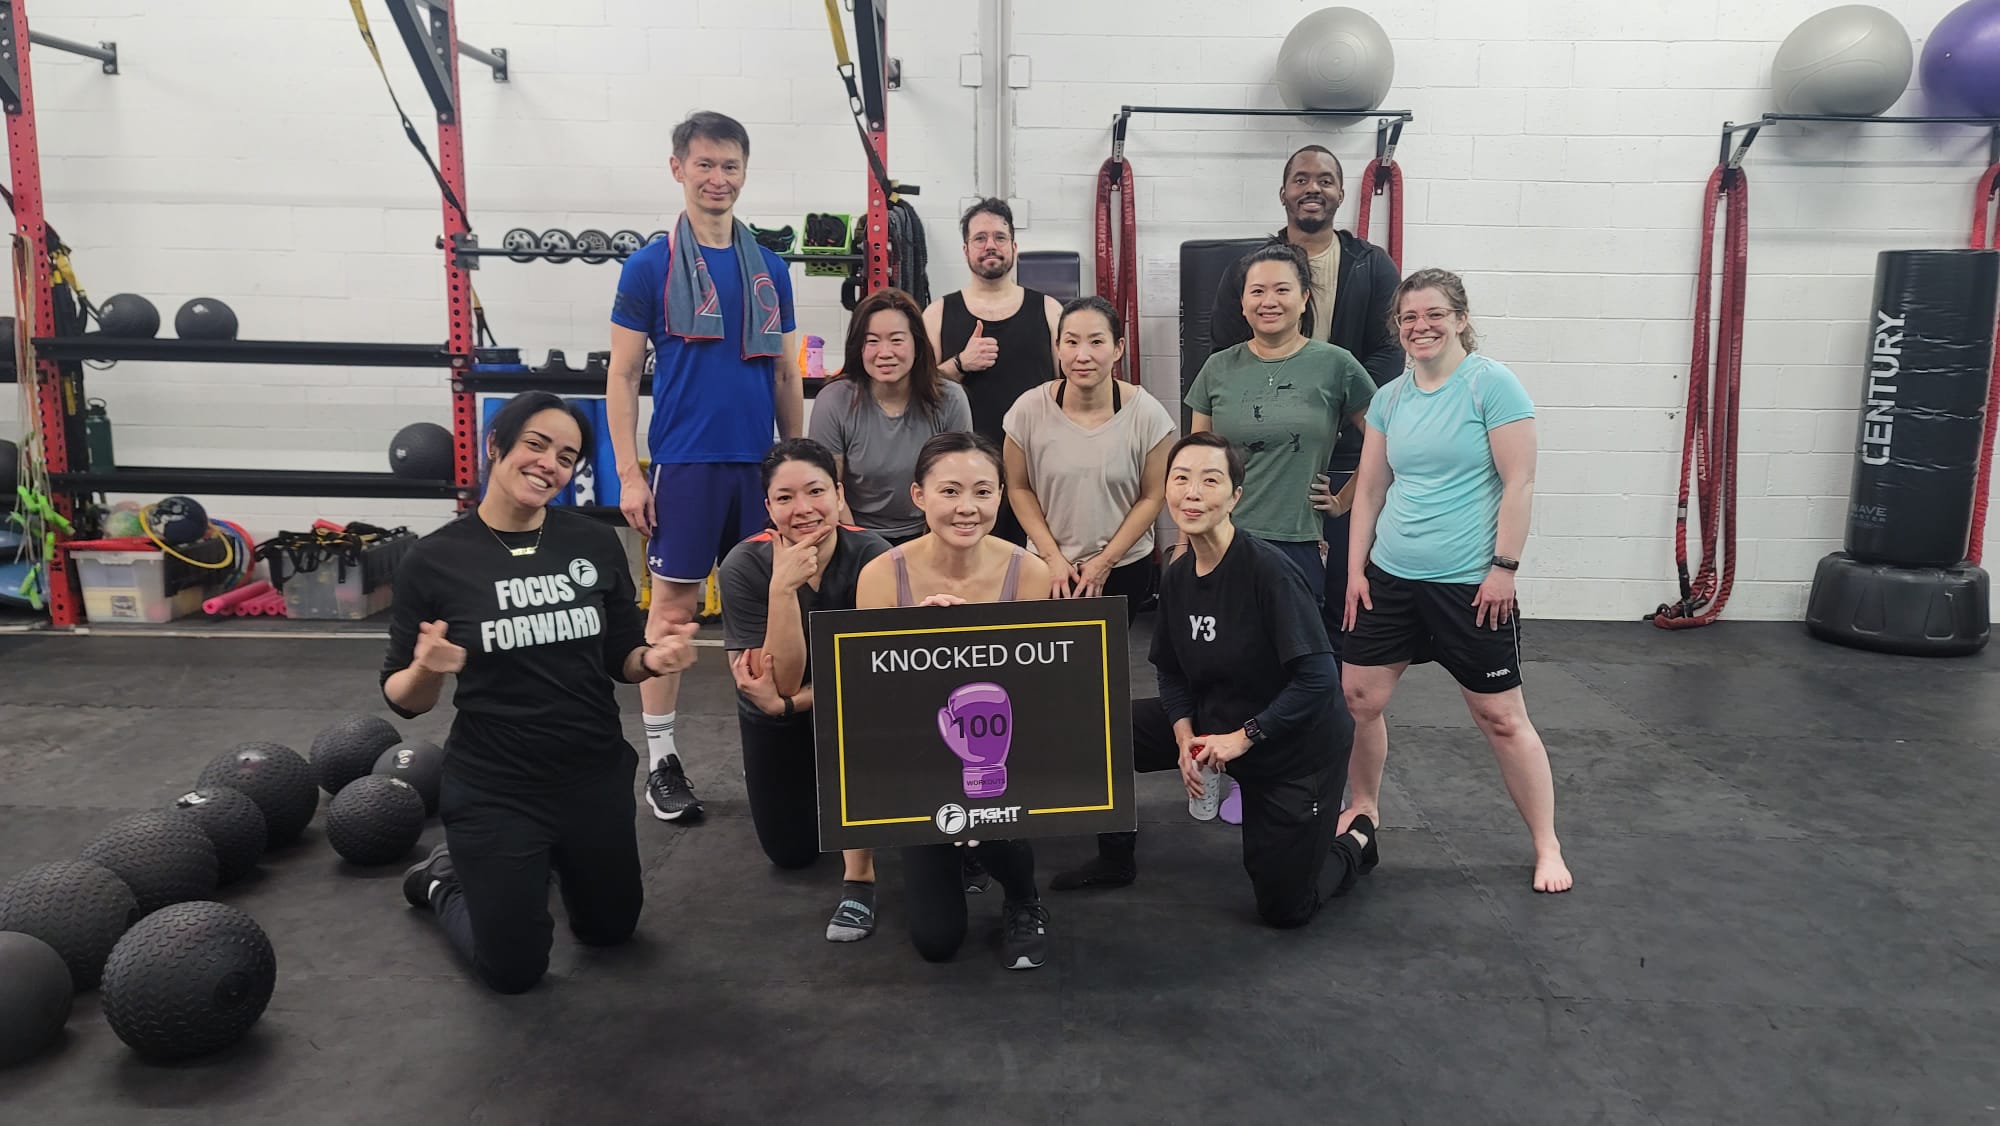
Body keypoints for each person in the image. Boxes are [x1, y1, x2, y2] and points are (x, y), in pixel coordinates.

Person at [384, 392, 700, 994]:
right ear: (495, 445)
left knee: (611, 932)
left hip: (592, 775)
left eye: (566, 456)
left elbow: (622, 658)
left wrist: (654, 659)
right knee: (514, 970)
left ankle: (536, 869)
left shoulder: (593, 543)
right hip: (496, 787)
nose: (549, 464)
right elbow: (402, 697)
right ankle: (441, 881)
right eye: (536, 444)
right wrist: (429, 667)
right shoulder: (434, 560)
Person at [1049, 432, 1377, 924]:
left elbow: (1317, 682)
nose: (1192, 492)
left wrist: (1244, 739)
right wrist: (1183, 737)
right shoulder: (1178, 576)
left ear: (1234, 497)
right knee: (1099, 730)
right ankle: (1115, 859)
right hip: (1216, 721)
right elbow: (1171, 671)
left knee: (1286, 910)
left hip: (1292, 746)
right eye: (1180, 479)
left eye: (1209, 480)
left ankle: (1357, 839)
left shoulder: (1271, 574)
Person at [1340, 268, 1573, 894]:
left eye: (1434, 314)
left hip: (1470, 583)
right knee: (1359, 699)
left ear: (1460, 318)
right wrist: (1356, 570)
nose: (1421, 326)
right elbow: (1369, 488)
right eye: (1410, 317)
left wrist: (1504, 568)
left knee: (1500, 717)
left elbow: (1518, 484)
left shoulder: (1491, 386)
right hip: (1392, 576)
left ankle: (1546, 844)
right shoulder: (1390, 398)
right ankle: (1364, 804)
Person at [606, 110, 805, 827]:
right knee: (673, 613)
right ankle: (661, 761)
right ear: (678, 169)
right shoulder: (650, 265)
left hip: (759, 470)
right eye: (705, 165)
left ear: (744, 173)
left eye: (730, 166)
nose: (718, 178)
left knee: (776, 612)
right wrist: (630, 473)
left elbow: (786, 375)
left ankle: (783, 750)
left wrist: (799, 466)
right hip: (686, 466)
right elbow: (624, 377)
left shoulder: (771, 269)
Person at [853, 431, 1055, 969]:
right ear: (919, 496)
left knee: (997, 809)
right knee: (937, 942)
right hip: (918, 758)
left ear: (1000, 497)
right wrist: (920, 640)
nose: (967, 507)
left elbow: (1039, 688)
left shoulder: (1029, 573)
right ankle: (959, 854)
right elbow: (868, 699)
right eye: (950, 491)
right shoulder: (880, 575)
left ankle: (1023, 896)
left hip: (1001, 753)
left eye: (983, 492)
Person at [1208, 145, 1405, 649]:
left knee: (1330, 608)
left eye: (1324, 179)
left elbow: (1388, 351)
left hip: (1338, 457)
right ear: (1283, 193)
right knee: (1246, 620)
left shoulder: (1370, 264)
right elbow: (1227, 347)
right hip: (1265, 460)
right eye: (1300, 179)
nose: (1312, 188)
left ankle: (1326, 709)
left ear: (1341, 192)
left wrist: (1328, 405)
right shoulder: (1250, 269)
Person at [717, 438, 892, 942]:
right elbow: (780, 683)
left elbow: (872, 675)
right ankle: (817, 794)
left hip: (850, 705)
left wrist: (792, 701)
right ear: (768, 507)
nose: (803, 509)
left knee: (864, 717)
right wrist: (782, 588)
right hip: (773, 712)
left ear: (838, 495)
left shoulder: (873, 556)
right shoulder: (744, 566)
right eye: (785, 498)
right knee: (791, 855)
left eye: (815, 491)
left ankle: (860, 876)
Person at [1002, 295, 1175, 615]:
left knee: (1110, 660)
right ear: (1058, 348)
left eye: (1097, 342)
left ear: (1118, 348)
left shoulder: (1148, 414)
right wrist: (1052, 557)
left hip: (1124, 564)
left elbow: (1153, 496)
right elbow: (1018, 487)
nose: (1083, 355)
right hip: (1048, 566)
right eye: (1071, 341)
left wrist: (1105, 562)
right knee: (1052, 661)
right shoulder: (1027, 410)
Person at [923, 198, 1062, 547]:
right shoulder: (939, 313)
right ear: (966, 249)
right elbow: (917, 390)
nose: (990, 246)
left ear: (1014, 246)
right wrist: (959, 364)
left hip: (1039, 473)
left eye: (999, 237)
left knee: (1035, 578)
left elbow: (1073, 386)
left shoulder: (1048, 310)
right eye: (980, 238)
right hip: (965, 480)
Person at [810, 288, 974, 544]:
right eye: (872, 341)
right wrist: (861, 549)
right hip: (854, 534)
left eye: (897, 340)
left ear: (917, 344)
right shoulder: (834, 400)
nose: (884, 352)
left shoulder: (950, 398)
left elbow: (957, 484)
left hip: (931, 533)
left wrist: (929, 547)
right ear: (858, 347)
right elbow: (828, 489)